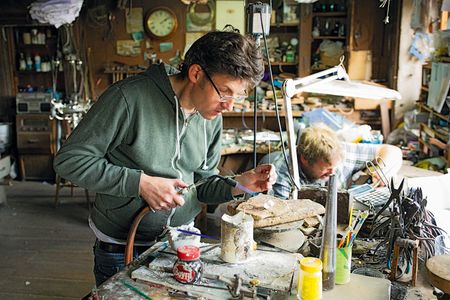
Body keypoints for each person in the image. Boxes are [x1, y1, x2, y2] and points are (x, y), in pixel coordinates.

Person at [53, 30, 276, 286]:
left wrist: (239, 184)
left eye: (238, 95)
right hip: (122, 243)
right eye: (225, 92)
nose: (230, 105)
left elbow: (201, 185)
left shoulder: (210, 116)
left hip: (179, 242)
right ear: (196, 74)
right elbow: (70, 161)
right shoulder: (128, 98)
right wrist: (140, 184)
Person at [260, 123, 402, 199]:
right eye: (326, 168)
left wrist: (381, 171)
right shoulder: (281, 174)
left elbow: (393, 152)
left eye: (335, 166)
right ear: (305, 159)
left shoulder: (338, 152)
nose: (333, 172)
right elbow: (283, 219)